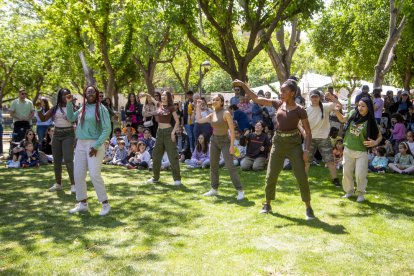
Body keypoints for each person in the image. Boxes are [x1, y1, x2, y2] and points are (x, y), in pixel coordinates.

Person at [233, 79, 315, 219]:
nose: (281, 93)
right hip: (278, 142)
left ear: (293, 93)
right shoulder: (278, 104)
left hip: (294, 144)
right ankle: (267, 203)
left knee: (301, 176)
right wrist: (243, 85)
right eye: (281, 91)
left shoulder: (300, 110)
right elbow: (256, 98)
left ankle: (308, 207)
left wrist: (306, 150)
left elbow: (307, 132)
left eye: (284, 91)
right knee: (271, 175)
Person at [66, 86, 111, 216]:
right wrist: (69, 103)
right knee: (78, 174)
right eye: (88, 91)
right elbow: (71, 118)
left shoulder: (101, 109)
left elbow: (107, 129)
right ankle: (83, 203)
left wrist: (96, 146)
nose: (90, 93)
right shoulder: (83, 107)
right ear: (85, 94)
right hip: (80, 144)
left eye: (92, 91)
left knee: (94, 174)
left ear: (96, 94)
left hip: (94, 144)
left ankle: (105, 204)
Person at [196, 94, 245, 200]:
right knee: (213, 166)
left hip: (225, 142)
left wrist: (232, 146)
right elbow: (199, 120)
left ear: (222, 102)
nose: (214, 101)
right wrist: (198, 107)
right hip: (214, 140)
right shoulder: (212, 114)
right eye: (213, 99)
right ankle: (214, 189)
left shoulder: (226, 113)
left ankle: (240, 190)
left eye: (217, 100)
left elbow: (232, 131)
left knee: (230, 166)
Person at [334, 97, 382, 202]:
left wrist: (375, 142)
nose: (360, 108)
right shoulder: (352, 113)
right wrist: (336, 111)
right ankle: (349, 191)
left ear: (368, 107)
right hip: (348, 149)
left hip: (361, 151)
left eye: (363, 106)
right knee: (346, 173)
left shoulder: (371, 121)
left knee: (360, 174)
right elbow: (342, 119)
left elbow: (380, 136)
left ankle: (361, 193)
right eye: (359, 105)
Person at [37, 88, 76, 193]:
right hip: (57, 134)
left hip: (68, 134)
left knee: (68, 160)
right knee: (56, 161)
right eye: (63, 95)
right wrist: (39, 109)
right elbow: (43, 118)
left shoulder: (73, 107)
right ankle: (58, 184)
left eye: (68, 95)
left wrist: (70, 117)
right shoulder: (55, 108)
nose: (66, 96)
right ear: (60, 96)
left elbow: (77, 120)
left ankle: (73, 185)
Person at [141, 91, 182, 185]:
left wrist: (172, 133)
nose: (163, 96)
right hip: (159, 132)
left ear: (168, 97)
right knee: (156, 156)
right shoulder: (159, 105)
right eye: (162, 95)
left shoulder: (171, 107)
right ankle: (155, 178)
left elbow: (177, 121)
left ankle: (177, 179)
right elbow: (151, 99)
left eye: (165, 95)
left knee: (173, 156)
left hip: (168, 132)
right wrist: (145, 94)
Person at [305, 90, 342, 187]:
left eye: (316, 97)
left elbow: (339, 106)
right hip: (310, 138)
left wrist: (332, 96)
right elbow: (300, 124)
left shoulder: (325, 107)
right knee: (306, 161)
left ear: (319, 97)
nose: (314, 99)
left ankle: (335, 179)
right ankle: (303, 180)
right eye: (312, 97)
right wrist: (304, 132)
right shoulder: (306, 110)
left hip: (324, 138)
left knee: (330, 160)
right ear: (310, 98)